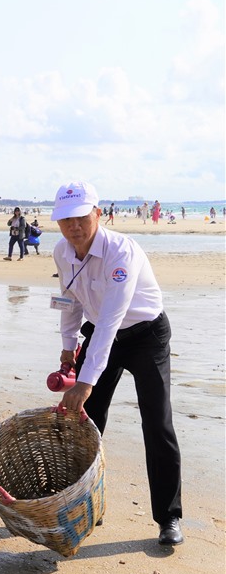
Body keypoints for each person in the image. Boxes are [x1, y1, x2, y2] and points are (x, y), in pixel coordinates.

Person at [50, 181, 183, 546]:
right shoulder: (61, 251)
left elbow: (112, 318)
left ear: (97, 214)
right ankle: (85, 504)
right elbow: (68, 300)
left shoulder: (121, 251)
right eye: (66, 220)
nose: (74, 227)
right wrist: (67, 348)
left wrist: (86, 380)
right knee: (86, 421)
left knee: (157, 422)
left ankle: (168, 517)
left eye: (81, 217)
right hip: (98, 333)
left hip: (145, 335)